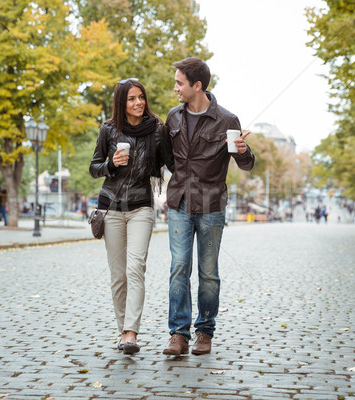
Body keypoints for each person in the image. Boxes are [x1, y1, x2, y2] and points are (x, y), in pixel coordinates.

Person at [162, 57, 255, 356]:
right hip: (179, 202)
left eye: (179, 83)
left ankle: (204, 331)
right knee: (179, 267)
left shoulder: (227, 121)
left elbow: (246, 164)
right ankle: (178, 335)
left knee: (208, 272)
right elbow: (167, 158)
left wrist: (244, 150)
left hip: (212, 204)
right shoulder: (173, 118)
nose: (175, 87)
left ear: (197, 85)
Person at [89, 78, 168, 355]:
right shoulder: (109, 130)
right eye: (131, 99)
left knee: (136, 268)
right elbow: (94, 167)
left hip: (140, 207)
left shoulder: (156, 130)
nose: (138, 103)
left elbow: (172, 159)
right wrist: (111, 164)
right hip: (111, 208)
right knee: (118, 275)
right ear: (121, 103)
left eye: (141, 97)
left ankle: (132, 332)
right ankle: (123, 331)